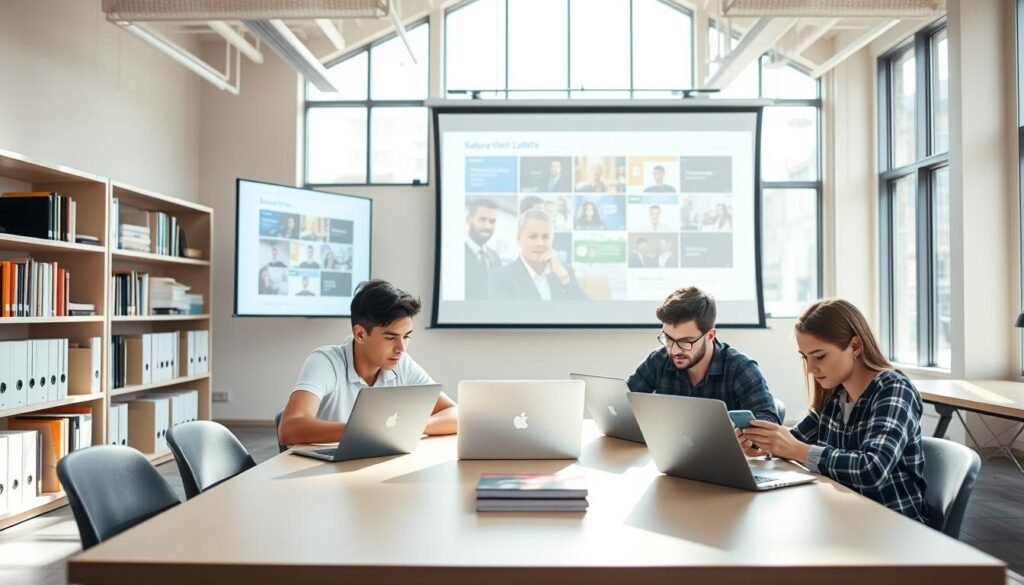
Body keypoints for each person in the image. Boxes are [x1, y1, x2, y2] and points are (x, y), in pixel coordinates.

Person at [736, 298, 928, 523]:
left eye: (819, 356)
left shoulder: (893, 389)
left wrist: (796, 449)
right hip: (843, 517)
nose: (810, 368)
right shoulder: (835, 395)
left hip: (892, 525)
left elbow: (872, 470)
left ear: (855, 347)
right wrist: (763, 444)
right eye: (805, 357)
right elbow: (793, 441)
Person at [278, 279, 458, 446]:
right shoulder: (326, 361)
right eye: (390, 338)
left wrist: (414, 426)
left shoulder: (401, 363)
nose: (401, 348)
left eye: (406, 337)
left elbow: (456, 413)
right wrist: (371, 431)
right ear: (360, 334)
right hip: (319, 472)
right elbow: (290, 428)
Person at [627, 286, 781, 423]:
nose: (674, 350)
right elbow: (624, 402)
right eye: (668, 339)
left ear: (710, 336)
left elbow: (769, 420)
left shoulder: (739, 367)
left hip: (723, 454)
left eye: (686, 341)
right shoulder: (659, 359)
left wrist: (748, 437)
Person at [489, 210, 588, 301]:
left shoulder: (564, 271)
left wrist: (563, 277)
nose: (540, 243)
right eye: (532, 236)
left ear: (552, 239)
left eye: (546, 237)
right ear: (518, 238)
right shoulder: (500, 277)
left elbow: (589, 311)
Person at [464, 199, 501, 300]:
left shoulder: (495, 257)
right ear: (468, 220)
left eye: (492, 221)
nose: (487, 226)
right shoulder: (457, 254)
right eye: (482, 220)